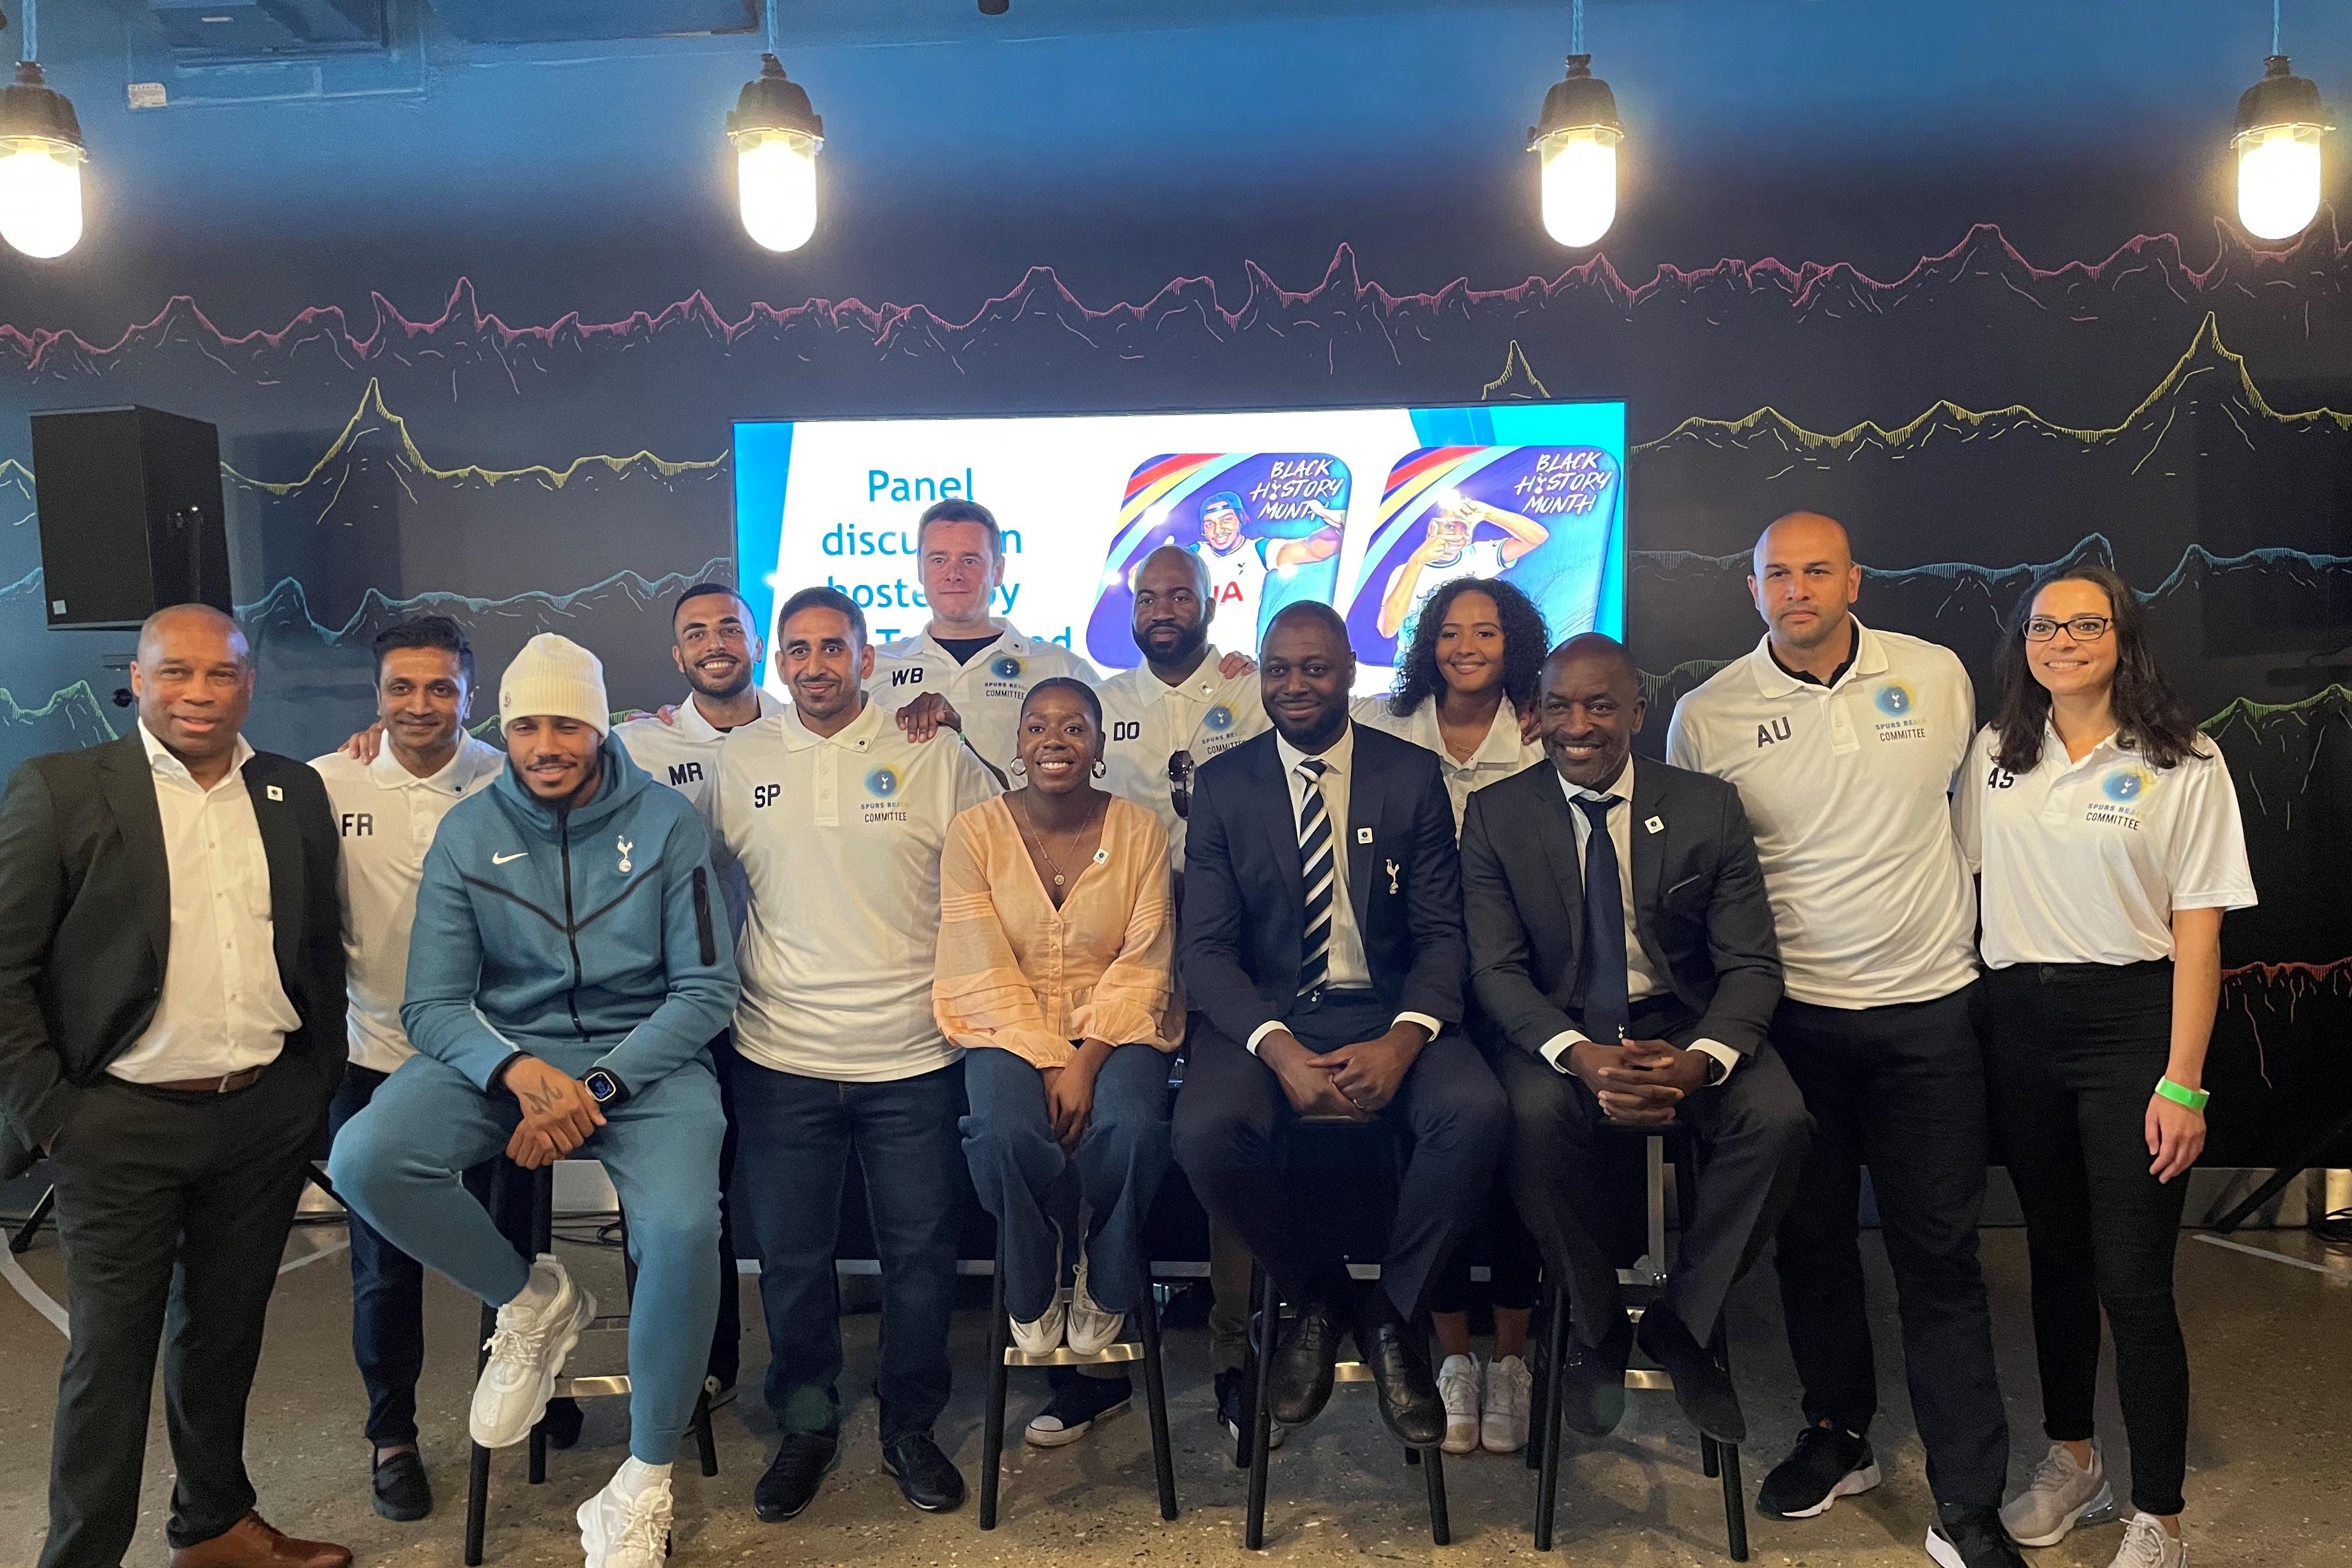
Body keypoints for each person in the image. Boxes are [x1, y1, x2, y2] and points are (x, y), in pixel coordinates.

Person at [328, 634, 739, 1568]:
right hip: (510, 1058)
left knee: (680, 1228)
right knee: (364, 1156)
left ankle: (642, 1482)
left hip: (649, 1064)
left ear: (596, 726)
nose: (545, 743)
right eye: (524, 725)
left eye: (565, 723)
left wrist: (591, 1089)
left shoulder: (670, 824)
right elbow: (430, 1003)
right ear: (502, 729)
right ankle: (532, 1301)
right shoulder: (469, 832)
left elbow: (706, 993)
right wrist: (516, 1075)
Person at [1665, 513, 2021, 1568]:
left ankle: (1967, 1500)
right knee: (1812, 1245)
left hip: (1930, 1013)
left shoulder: (1937, 674)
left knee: (1939, 1259)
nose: (1797, 587)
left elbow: (1980, 810)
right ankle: (1840, 1434)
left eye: (1817, 569)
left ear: (1854, 578)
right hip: (1795, 1021)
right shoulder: (1708, 712)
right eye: (1777, 572)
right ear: (1752, 587)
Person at [0, 604, 351, 1568]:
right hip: (118, 1124)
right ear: (140, 679)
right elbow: (5, 968)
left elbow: (319, 943)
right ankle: (82, 1554)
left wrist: (312, 1079)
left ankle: (214, 1524)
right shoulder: (63, 790)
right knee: (109, 1358)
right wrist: (56, 1116)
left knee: (224, 1335)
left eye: (223, 674)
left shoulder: (288, 790)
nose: (200, 693)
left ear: (248, 682)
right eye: (178, 672)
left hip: (262, 1115)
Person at [1957, 566, 2255, 1568]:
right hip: (2017, 1024)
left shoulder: (2183, 759)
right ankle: (2071, 1456)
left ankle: (2159, 1513)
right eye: (2046, 625)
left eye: (2088, 624)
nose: (2065, 639)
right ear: (2023, 644)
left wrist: (2182, 1080)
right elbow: (1962, 886)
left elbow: (2198, 933)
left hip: (2131, 1027)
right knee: (2053, 1259)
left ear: (2123, 639)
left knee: (2132, 1281)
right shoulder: (1995, 753)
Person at [1170, 600, 1508, 1451]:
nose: (1294, 686)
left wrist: (1405, 1039)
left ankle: (1392, 1311)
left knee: (1477, 1112)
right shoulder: (1224, 785)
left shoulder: (1409, 774)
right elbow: (1207, 954)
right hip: (1273, 1018)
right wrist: (1278, 1050)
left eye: (1314, 668)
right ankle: (1317, 1294)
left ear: (1349, 670)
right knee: (1206, 1131)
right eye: (1278, 669)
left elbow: (1442, 935)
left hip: (1387, 1010)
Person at [1460, 633, 1811, 1450]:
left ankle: (1682, 1321)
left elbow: (1752, 964)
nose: (1578, 724)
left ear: (1638, 714)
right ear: (1535, 717)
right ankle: (1596, 1322)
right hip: (1564, 1030)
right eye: (1559, 706)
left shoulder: (1704, 806)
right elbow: (1497, 972)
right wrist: (1580, 1056)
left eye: (1600, 705)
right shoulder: (1498, 815)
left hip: (1680, 1025)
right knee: (1529, 1118)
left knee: (1780, 1120)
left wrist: (1698, 1062)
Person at [716, 586, 996, 1522]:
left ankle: (910, 1427)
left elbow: (1004, 858)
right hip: (779, 1054)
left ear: (869, 658)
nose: (813, 665)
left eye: (832, 647)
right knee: (793, 1258)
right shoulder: (740, 758)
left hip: (914, 1055)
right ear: (779, 663)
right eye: (795, 651)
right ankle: (806, 1424)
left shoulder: (933, 751)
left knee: (922, 1255)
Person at [312, 615, 506, 1523]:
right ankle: (393, 1436)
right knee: (383, 1269)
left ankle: (535, 1400)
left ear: (471, 692)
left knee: (511, 1250)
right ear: (377, 694)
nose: (420, 706)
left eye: (440, 689)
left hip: (499, 1064)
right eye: (402, 688)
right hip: (377, 1062)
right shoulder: (327, 782)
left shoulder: (513, 779)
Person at [1353, 575, 1548, 1455]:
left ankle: (1512, 1361)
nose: (1467, 647)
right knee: (1428, 1157)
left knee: (1514, 1153)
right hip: (1416, 985)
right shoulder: (1387, 727)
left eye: (1488, 632)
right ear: (1427, 642)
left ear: (1517, 644)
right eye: (1451, 632)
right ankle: (1451, 1358)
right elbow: (1290, 711)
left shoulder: (1546, 730)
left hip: (1523, 980)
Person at [937, 678, 1180, 1378]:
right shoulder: (976, 833)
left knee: (1132, 1128)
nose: (1055, 741)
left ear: (1100, 747)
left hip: (1119, 1025)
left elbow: (1145, 958)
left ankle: (1107, 1268)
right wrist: (1049, 1060)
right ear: (1017, 744)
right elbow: (978, 960)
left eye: (1075, 728)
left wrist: (1085, 1061)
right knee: (1003, 1133)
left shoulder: (1139, 832)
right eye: (1038, 726)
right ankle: (1034, 1260)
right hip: (1004, 1022)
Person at [1091, 543, 1273, 1448]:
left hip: (1231, 956)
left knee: (1221, 1133)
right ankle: (1098, 1352)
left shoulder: (1250, 689)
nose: (1164, 607)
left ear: (1212, 601)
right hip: (1118, 958)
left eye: (1181, 594)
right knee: (1111, 1132)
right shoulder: (1101, 699)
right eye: (1149, 594)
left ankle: (1239, 1359)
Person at [612, 581, 789, 1410]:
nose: (715, 643)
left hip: (789, 997)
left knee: (788, 1193)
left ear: (755, 643)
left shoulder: (805, 730)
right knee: (686, 1193)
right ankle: (699, 1361)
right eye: (696, 633)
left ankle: (803, 1364)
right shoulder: (637, 744)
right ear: (678, 653)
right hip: (679, 1006)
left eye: (730, 628)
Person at [870, 498, 1099, 779]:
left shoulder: (1061, 669)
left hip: (1022, 824)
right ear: (920, 569)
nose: (953, 574)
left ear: (998, 571)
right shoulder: (873, 669)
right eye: (939, 560)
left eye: (970, 560)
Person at [1374, 494, 1549, 645]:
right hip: (1418, 668)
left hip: (1465, 664)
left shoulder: (1477, 555)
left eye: (1463, 527)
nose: (1457, 535)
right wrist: (1418, 561)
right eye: (1450, 526)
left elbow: (1537, 537)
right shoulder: (1406, 571)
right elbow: (1388, 628)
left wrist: (1488, 513)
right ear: (1433, 527)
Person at [1189, 488, 1343, 640]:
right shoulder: (1194, 554)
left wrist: (1341, 527)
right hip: (1198, 660)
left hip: (1241, 661)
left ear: (1241, 519)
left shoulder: (1258, 550)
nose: (1219, 530)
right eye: (1210, 524)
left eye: (1227, 520)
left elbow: (1311, 549)